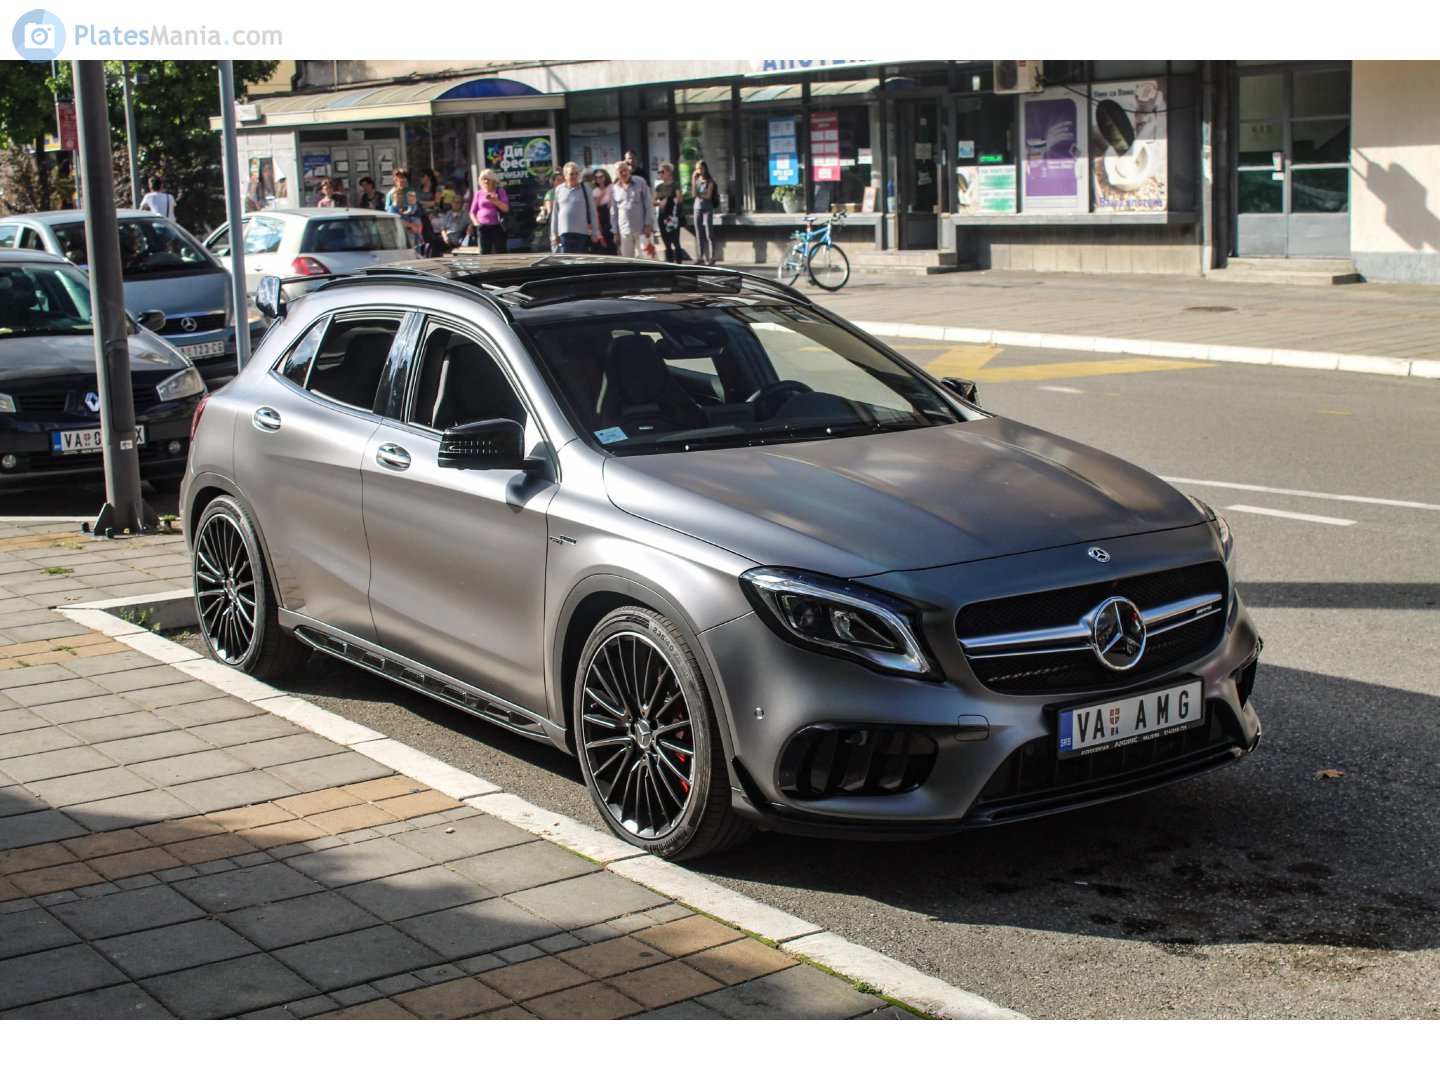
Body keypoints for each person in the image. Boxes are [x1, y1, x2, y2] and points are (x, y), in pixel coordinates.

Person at [550, 162, 601, 255]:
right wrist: (554, 234)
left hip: (582, 233)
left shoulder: (585, 188)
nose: (574, 176)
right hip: (564, 234)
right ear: (565, 175)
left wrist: (595, 232)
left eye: (576, 173)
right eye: (571, 174)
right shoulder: (559, 190)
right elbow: (555, 213)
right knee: (565, 263)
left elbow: (593, 211)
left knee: (581, 263)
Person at [610, 159, 654, 258]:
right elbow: (614, 212)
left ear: (629, 169)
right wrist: (615, 232)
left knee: (647, 259)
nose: (624, 173)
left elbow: (648, 204)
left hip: (642, 229)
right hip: (624, 231)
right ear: (617, 174)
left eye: (625, 169)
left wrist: (648, 224)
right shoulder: (615, 189)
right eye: (621, 171)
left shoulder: (640, 182)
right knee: (627, 261)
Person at [469, 168, 510, 255]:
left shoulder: (499, 191)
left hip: (497, 225)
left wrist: (494, 200)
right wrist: (476, 223)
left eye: (488, 179)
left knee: (501, 249)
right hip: (483, 226)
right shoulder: (479, 193)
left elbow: (505, 208)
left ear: (493, 181)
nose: (486, 182)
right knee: (484, 251)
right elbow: (472, 211)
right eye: (484, 179)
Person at [654, 163, 683, 262]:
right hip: (662, 216)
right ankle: (670, 265)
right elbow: (652, 201)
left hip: (672, 217)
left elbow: (679, 199)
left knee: (675, 241)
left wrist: (668, 199)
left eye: (662, 172)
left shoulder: (675, 185)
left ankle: (679, 264)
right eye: (659, 172)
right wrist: (659, 203)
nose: (660, 174)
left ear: (669, 172)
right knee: (666, 243)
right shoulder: (659, 187)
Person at [691, 159, 718, 265]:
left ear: (705, 168)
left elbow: (708, 196)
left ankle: (712, 257)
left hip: (707, 208)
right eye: (697, 168)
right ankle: (700, 256)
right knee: (698, 233)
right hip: (697, 207)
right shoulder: (697, 180)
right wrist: (693, 178)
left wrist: (699, 195)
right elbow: (693, 193)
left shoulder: (710, 181)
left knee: (708, 232)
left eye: (701, 168)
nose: (699, 170)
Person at [591, 168, 616, 254]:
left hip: (610, 214)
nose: (599, 178)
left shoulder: (611, 187)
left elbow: (612, 202)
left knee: (611, 236)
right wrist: (602, 193)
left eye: (601, 176)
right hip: (600, 214)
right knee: (603, 236)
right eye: (597, 177)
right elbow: (595, 205)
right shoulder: (595, 191)